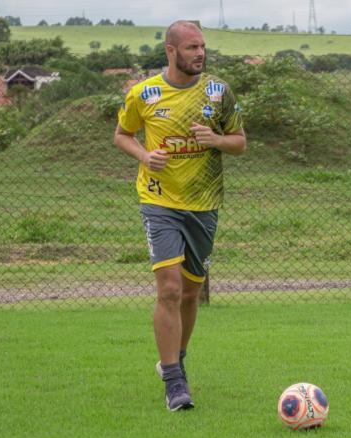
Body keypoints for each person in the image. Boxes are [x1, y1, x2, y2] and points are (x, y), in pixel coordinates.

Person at [113, 20, 246, 411]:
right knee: (169, 289)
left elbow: (240, 143)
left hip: (204, 205)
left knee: (190, 292)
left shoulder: (218, 92)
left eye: (203, 46)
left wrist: (216, 139)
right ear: (171, 51)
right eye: (191, 47)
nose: (200, 53)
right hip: (159, 202)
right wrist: (144, 156)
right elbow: (122, 135)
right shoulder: (145, 93)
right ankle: (174, 382)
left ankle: (176, 360)